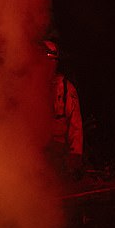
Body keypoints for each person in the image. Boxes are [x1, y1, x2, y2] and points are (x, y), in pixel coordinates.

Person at [43, 40, 83, 180]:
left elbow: (75, 124)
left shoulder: (65, 89)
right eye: (45, 61)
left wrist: (75, 154)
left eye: (52, 61)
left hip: (58, 152)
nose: (49, 65)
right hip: (37, 151)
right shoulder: (31, 88)